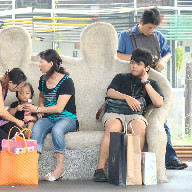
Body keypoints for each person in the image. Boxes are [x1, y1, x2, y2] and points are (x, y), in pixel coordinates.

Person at [117, 8, 187, 170]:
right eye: (149, 27)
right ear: (140, 22)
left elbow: (168, 52)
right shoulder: (126, 36)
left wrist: (163, 60)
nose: (151, 31)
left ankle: (170, 159)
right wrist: (139, 61)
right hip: (132, 87)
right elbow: (119, 55)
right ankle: (133, 164)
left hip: (152, 84)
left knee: (160, 120)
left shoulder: (158, 36)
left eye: (154, 28)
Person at [94, 48, 164, 182]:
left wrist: (146, 83)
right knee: (113, 127)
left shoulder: (152, 83)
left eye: (138, 64)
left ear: (147, 67)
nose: (133, 66)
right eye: (132, 62)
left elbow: (159, 102)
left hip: (135, 116)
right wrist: (128, 98)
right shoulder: (121, 77)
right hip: (115, 112)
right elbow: (110, 92)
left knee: (139, 128)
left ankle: (134, 170)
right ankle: (100, 169)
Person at [24, 49, 78, 181]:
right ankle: (32, 167)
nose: (39, 65)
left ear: (51, 63)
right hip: (49, 117)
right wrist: (41, 108)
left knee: (57, 130)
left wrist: (36, 109)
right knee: (36, 129)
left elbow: (59, 108)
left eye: (41, 62)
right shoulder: (43, 79)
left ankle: (60, 168)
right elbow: (42, 96)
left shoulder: (67, 81)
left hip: (67, 118)